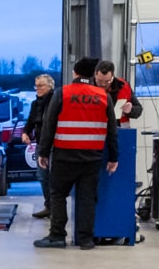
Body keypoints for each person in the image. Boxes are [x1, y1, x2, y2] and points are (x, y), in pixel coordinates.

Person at [34, 58, 118, 250]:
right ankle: (86, 239)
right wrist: (114, 157)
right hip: (92, 158)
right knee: (87, 198)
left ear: (75, 73)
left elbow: (49, 125)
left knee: (58, 195)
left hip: (64, 156)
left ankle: (57, 236)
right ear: (93, 74)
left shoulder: (62, 93)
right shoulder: (103, 96)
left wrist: (43, 152)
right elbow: (112, 130)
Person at [19, 72, 56, 218]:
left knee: (53, 177)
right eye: (36, 86)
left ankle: (56, 208)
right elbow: (30, 120)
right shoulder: (36, 104)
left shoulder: (56, 102)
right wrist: (25, 132)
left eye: (41, 86)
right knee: (42, 176)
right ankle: (49, 206)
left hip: (54, 145)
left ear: (50, 86)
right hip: (40, 144)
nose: (37, 89)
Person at [95, 61, 142, 125]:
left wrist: (131, 110)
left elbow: (139, 109)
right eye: (100, 81)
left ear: (112, 76)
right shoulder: (87, 87)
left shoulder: (123, 86)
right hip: (96, 129)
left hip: (120, 129)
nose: (103, 84)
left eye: (107, 81)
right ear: (95, 75)